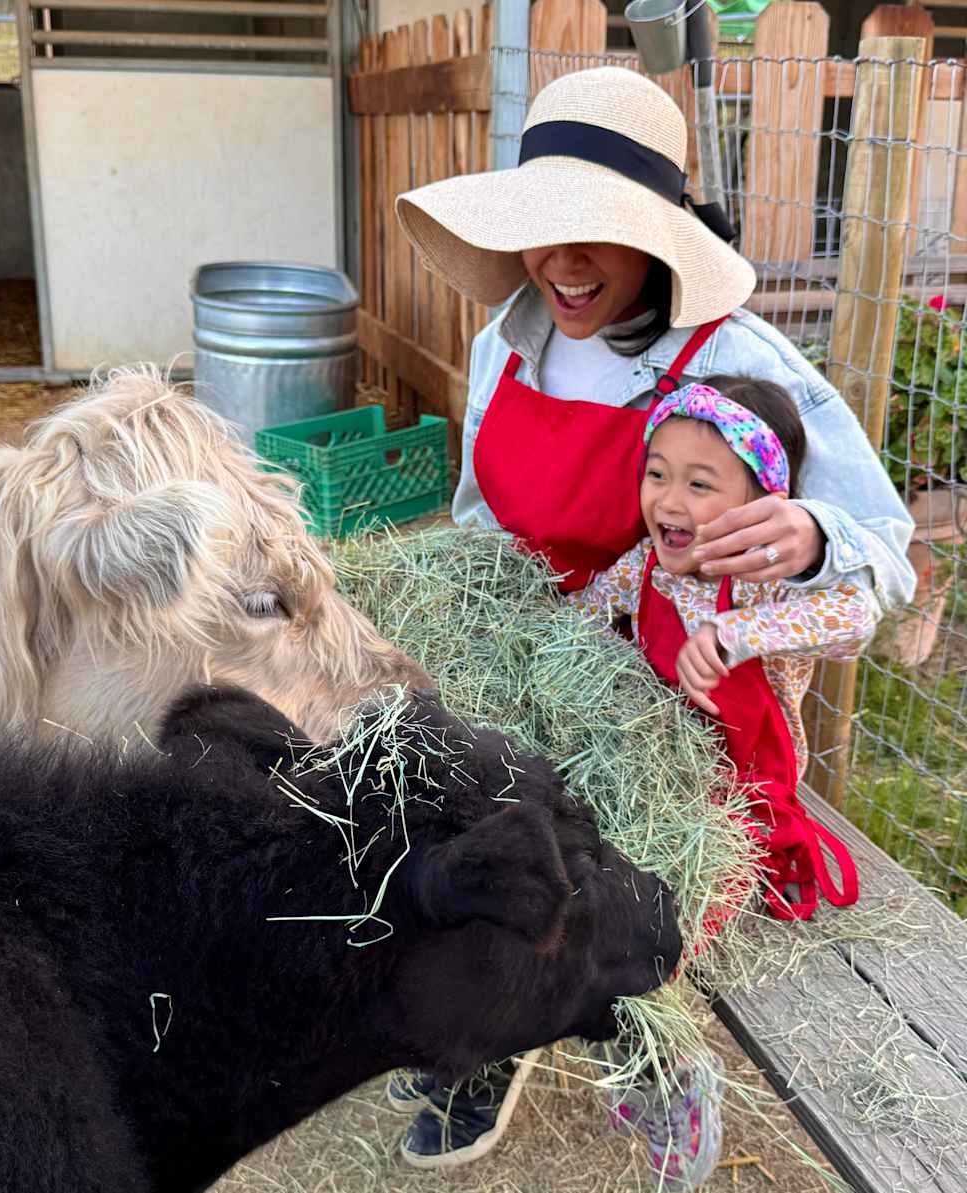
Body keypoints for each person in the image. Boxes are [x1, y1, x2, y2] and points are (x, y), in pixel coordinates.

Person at [388, 64, 916, 1187]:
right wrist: (462, 625)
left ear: (661, 239)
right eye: (544, 228)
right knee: (447, 816)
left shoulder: (734, 360)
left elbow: (884, 557)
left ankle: (651, 1052)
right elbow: (483, 524)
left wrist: (811, 537)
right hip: (530, 645)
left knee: (618, 869)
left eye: (598, 234)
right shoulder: (507, 337)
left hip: (669, 692)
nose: (564, 265)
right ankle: (483, 1039)